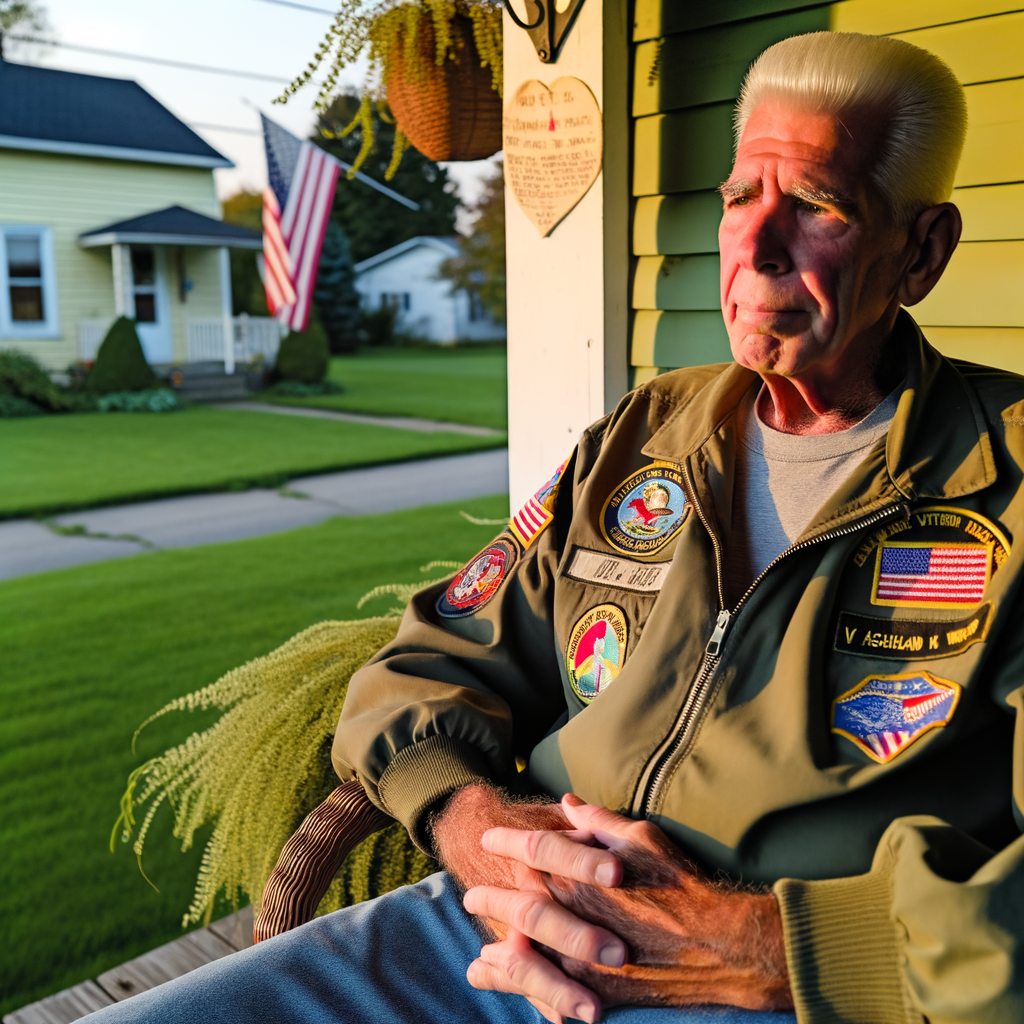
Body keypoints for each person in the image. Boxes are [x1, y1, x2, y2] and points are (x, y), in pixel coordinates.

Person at [83, 30, 1024, 1024]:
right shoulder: (644, 434)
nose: (755, 246)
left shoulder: (1004, 480)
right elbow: (430, 658)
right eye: (740, 198)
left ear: (919, 250)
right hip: (499, 925)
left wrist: (776, 947)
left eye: (816, 206)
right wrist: (477, 823)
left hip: (792, 990)